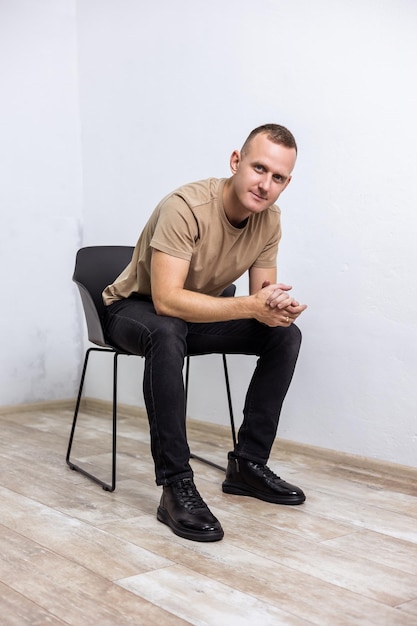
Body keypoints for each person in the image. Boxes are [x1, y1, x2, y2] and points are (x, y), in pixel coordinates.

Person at [103, 123, 307, 543]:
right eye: (259, 168)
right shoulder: (187, 206)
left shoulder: (269, 220)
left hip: (189, 318)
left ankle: (248, 465)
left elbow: (260, 298)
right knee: (166, 329)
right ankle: (175, 484)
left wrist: (275, 307)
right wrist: (250, 306)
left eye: (278, 177)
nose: (265, 185)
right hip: (134, 310)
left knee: (285, 335)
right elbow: (166, 301)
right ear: (236, 162)